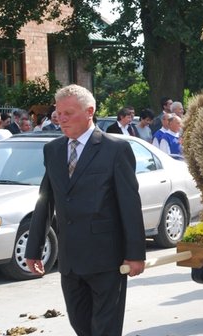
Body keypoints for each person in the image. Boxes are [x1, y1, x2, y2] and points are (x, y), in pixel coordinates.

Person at [24, 84, 146, 336]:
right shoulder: (53, 150)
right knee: (80, 324)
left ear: (89, 111)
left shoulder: (115, 149)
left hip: (106, 258)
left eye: (68, 113)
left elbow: (130, 204)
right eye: (59, 113)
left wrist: (136, 254)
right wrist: (34, 248)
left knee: (105, 328)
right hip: (69, 260)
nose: (61, 119)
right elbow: (45, 200)